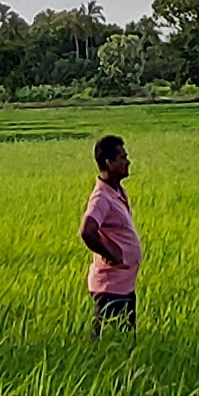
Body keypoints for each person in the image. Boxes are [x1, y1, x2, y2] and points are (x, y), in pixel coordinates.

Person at [80, 133, 140, 331]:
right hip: (110, 288)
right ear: (109, 162)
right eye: (122, 157)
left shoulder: (116, 191)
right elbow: (87, 231)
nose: (128, 162)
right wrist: (110, 253)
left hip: (124, 285)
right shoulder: (101, 198)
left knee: (125, 343)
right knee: (106, 345)